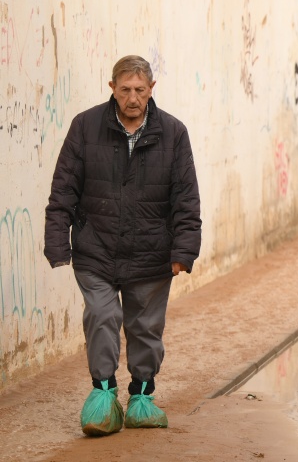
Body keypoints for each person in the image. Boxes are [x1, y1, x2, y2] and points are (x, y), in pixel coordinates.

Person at [44, 55, 201, 436]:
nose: (133, 98)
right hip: (94, 250)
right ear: (112, 87)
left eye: (140, 90)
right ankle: (102, 396)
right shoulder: (85, 127)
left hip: (151, 253)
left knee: (145, 328)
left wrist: (184, 251)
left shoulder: (174, 133)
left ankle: (142, 397)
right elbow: (63, 188)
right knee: (102, 317)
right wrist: (57, 243)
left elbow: (186, 197)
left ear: (151, 91)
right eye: (125, 89)